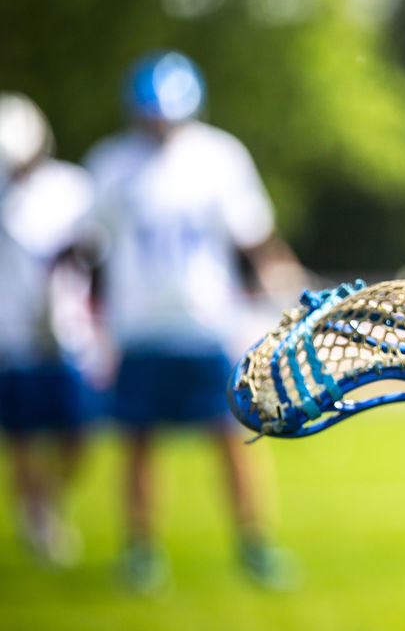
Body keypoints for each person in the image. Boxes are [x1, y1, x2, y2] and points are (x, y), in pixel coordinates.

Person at [84, 51, 302, 593]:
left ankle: (255, 545)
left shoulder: (220, 157)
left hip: (207, 327)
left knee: (233, 440)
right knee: (137, 443)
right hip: (140, 329)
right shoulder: (111, 164)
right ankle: (140, 552)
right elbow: (89, 251)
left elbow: (256, 240)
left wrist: (295, 294)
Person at [0, 92, 97, 567]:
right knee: (22, 437)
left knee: (79, 434)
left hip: (67, 333)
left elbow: (94, 249)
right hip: (11, 337)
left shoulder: (72, 187)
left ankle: (48, 502)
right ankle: (35, 514)